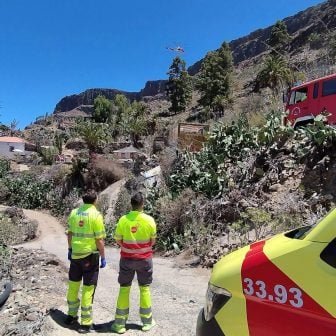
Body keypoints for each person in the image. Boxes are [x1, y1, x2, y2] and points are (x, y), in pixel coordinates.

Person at [111, 192, 157, 334]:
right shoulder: (149, 220)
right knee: (144, 288)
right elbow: (152, 241)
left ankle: (119, 325)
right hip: (144, 259)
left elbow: (118, 239)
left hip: (127, 259)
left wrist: (127, 247)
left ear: (131, 204)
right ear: (142, 204)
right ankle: (147, 323)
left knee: (124, 288)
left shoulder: (123, 220)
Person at [65, 190, 106, 334]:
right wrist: (103, 256)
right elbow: (99, 239)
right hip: (90, 256)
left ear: (83, 200)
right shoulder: (96, 215)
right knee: (88, 289)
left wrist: (70, 249)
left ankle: (70, 316)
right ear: (95, 200)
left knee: (73, 286)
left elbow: (69, 233)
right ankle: (85, 324)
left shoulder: (74, 213)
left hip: (76, 255)